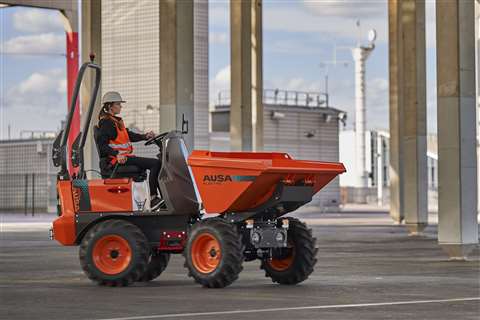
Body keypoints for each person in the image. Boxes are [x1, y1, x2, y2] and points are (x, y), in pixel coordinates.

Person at [96, 91, 163, 210]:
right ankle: (153, 198)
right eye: (118, 104)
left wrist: (145, 136)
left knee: (153, 164)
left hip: (123, 158)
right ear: (110, 106)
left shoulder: (115, 121)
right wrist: (117, 154)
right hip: (116, 161)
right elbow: (102, 146)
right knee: (155, 163)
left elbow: (128, 135)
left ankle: (153, 198)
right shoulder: (106, 123)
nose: (121, 106)